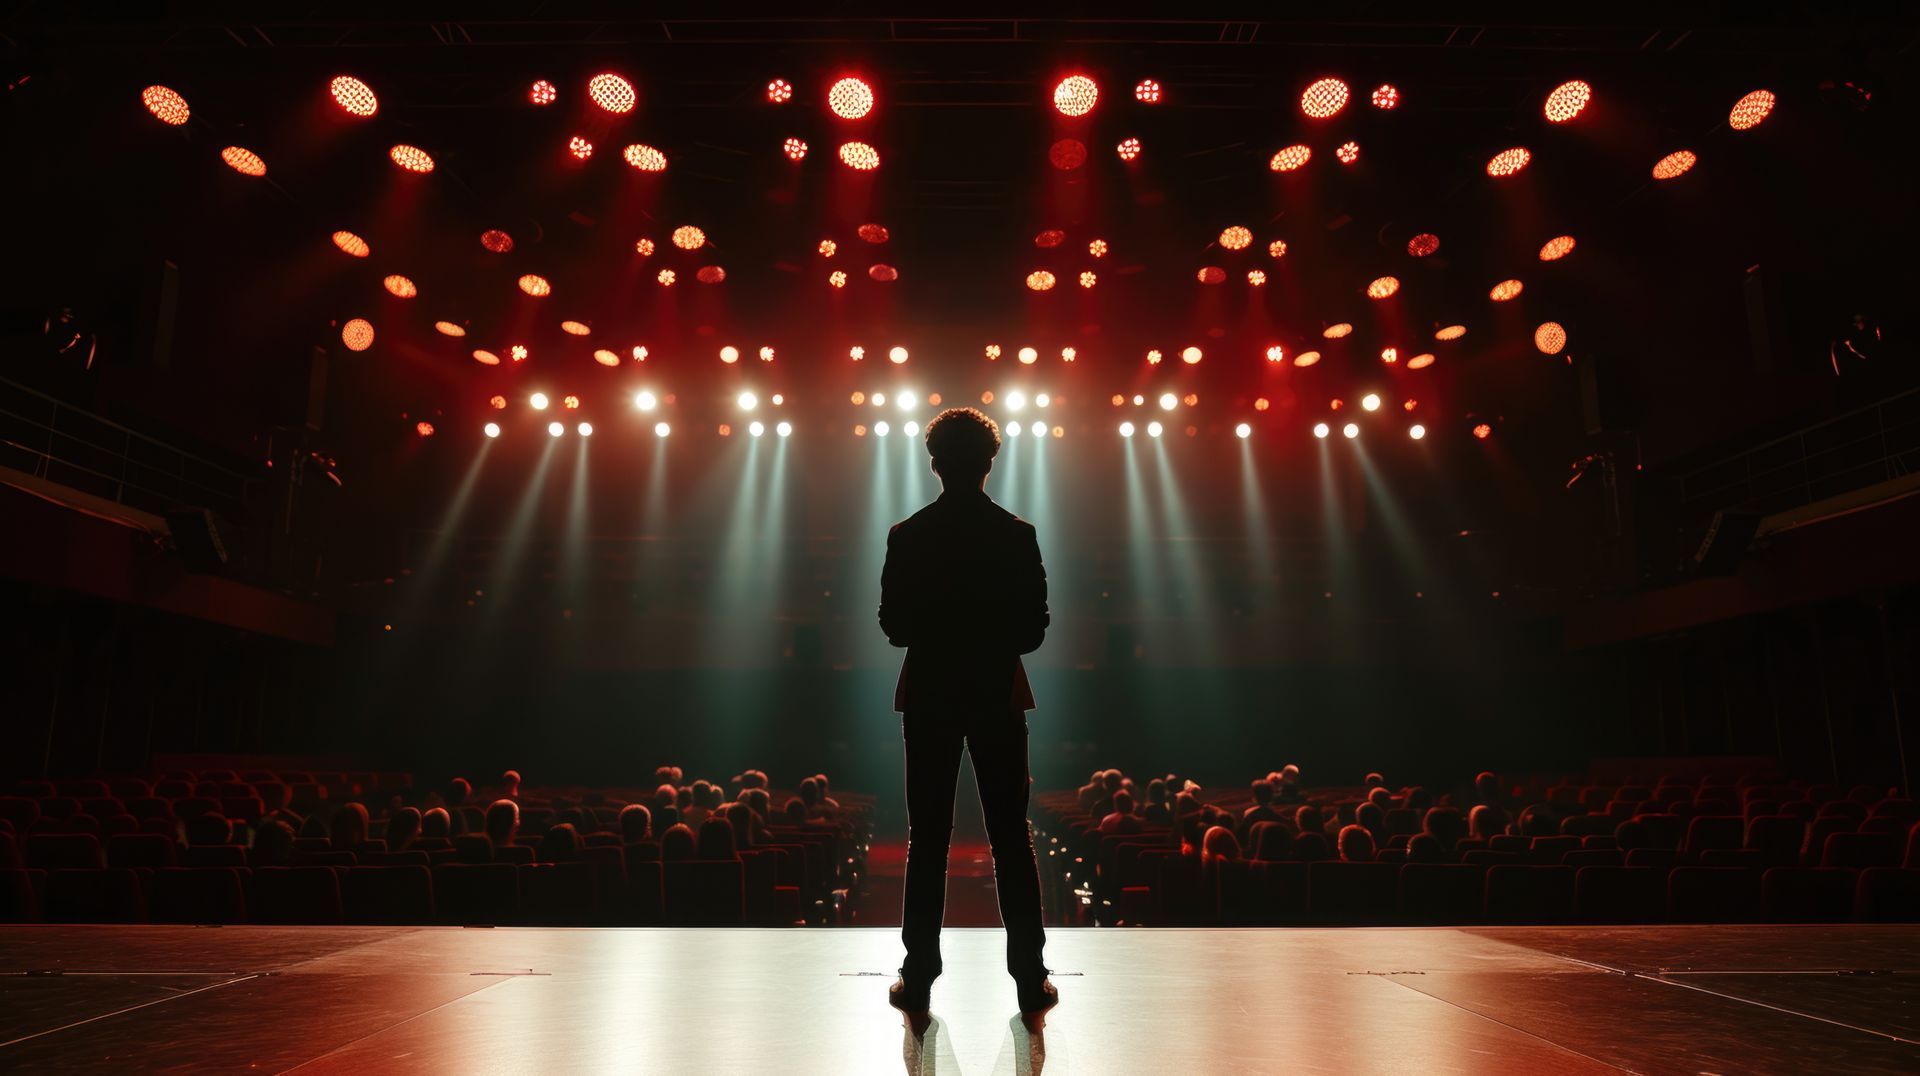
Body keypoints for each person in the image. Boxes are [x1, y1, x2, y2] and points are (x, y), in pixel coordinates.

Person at [879, 406, 1055, 1025]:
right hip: (995, 692)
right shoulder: (1016, 534)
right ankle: (1029, 978)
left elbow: (894, 626)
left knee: (927, 837)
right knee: (1011, 835)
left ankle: (919, 976)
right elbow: (1033, 631)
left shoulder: (908, 535)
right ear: (989, 462)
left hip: (930, 692)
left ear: (935, 464)